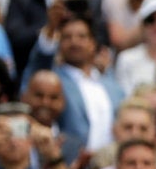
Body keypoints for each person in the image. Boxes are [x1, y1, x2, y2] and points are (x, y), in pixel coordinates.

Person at [22, 11, 125, 153]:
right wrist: (51, 29)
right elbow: (38, 66)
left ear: (93, 43)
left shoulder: (111, 84)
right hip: (71, 163)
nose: (74, 42)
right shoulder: (53, 80)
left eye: (81, 36)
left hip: (112, 164)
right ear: (59, 43)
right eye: (67, 37)